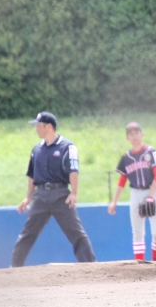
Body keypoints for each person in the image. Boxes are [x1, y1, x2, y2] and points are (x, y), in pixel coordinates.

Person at [12, 112, 96, 267]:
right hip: (40, 195)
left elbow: (73, 170)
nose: (36, 129)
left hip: (60, 195)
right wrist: (28, 197)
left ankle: (90, 266)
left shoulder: (67, 147)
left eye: (39, 125)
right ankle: (15, 266)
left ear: (48, 126)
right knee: (27, 233)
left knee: (76, 233)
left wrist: (74, 193)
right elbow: (32, 175)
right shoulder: (36, 149)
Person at [108, 122, 156, 261]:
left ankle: (155, 262)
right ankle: (140, 266)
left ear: (142, 134)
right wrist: (114, 201)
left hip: (152, 191)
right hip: (135, 193)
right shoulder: (126, 158)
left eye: (136, 133)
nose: (134, 136)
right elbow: (122, 180)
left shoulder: (152, 152)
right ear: (127, 137)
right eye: (131, 134)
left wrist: (150, 195)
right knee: (138, 233)